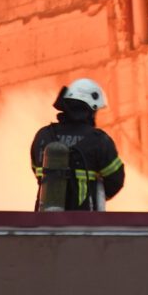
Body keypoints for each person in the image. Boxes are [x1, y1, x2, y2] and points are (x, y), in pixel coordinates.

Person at [31, 77, 124, 210]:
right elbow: (115, 180)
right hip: (84, 224)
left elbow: (37, 170)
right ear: (90, 110)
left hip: (45, 225)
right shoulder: (99, 140)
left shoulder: (43, 136)